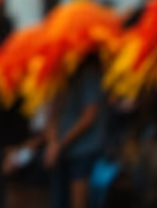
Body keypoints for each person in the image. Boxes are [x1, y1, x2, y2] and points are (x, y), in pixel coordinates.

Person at [46, 54, 106, 208]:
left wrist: (58, 144)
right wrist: (54, 144)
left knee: (77, 201)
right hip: (64, 152)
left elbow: (90, 115)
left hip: (82, 152)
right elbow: (52, 113)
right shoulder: (61, 77)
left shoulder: (88, 75)